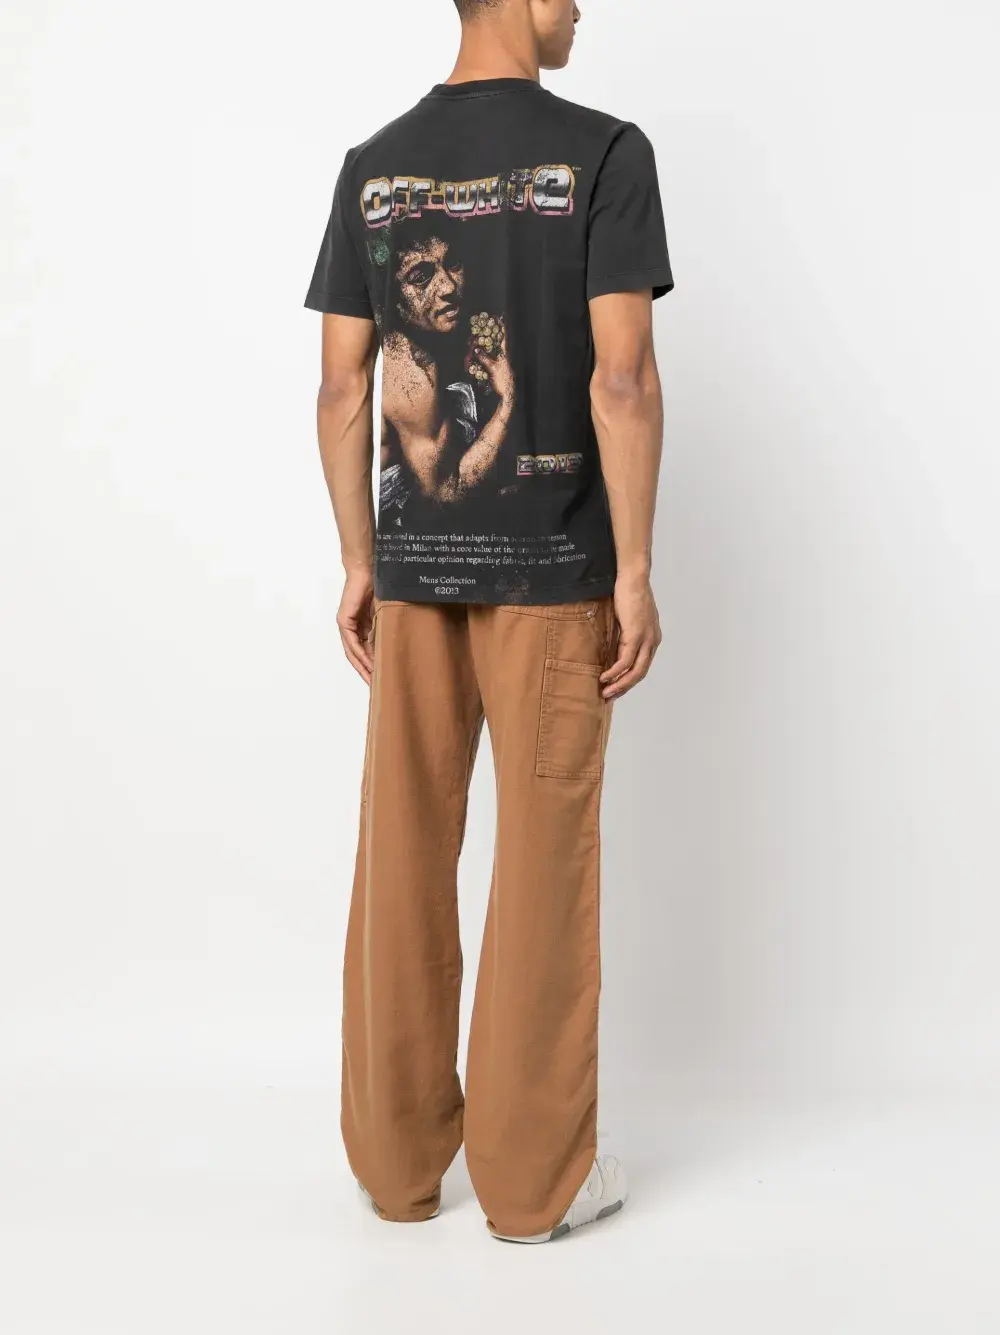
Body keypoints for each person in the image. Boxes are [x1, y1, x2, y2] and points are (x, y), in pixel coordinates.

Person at [305, 0, 671, 1243]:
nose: (581, 8)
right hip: (554, 571)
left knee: (401, 848)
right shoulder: (603, 154)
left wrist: (360, 560)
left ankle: (396, 1168)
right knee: (541, 858)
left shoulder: (374, 165)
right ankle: (529, 1186)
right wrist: (634, 570)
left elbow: (341, 384)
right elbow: (622, 375)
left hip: (414, 571)